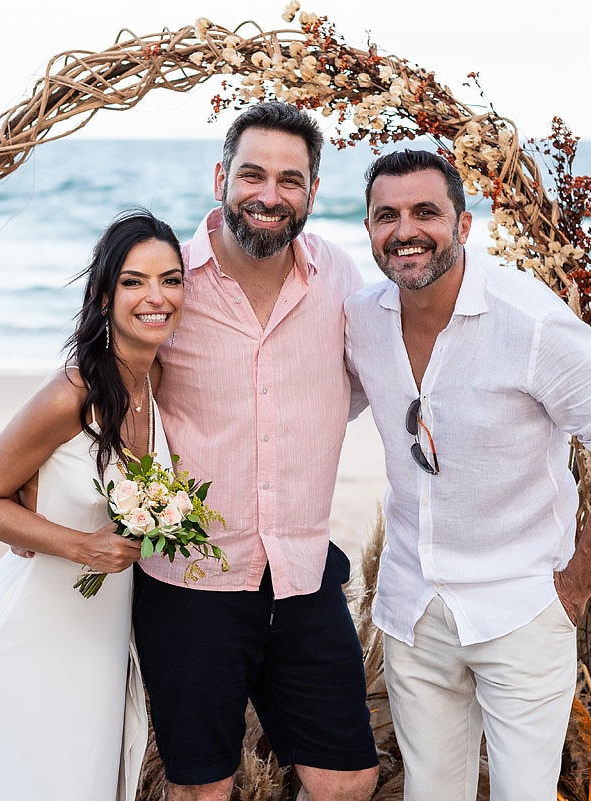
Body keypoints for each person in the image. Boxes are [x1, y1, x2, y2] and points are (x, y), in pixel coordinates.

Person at [344, 149, 591, 801]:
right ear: (369, 228)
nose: (405, 230)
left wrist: (578, 582)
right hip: (412, 605)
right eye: (387, 215)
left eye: (425, 212)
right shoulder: (360, 320)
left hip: (522, 607)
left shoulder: (530, 322)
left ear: (463, 225)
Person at [131, 102, 380, 801]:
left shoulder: (337, 274)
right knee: (202, 788)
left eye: (290, 180)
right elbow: (99, 384)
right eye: (252, 175)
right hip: (191, 581)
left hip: (302, 574)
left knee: (348, 780)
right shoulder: (169, 280)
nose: (270, 195)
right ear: (221, 178)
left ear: (312, 192)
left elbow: (366, 378)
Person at [0, 210, 184, 801]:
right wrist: (82, 546)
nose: (156, 297)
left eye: (171, 280)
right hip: (35, 628)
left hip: (102, 637)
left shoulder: (157, 382)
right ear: (103, 296)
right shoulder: (72, 392)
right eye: (134, 281)